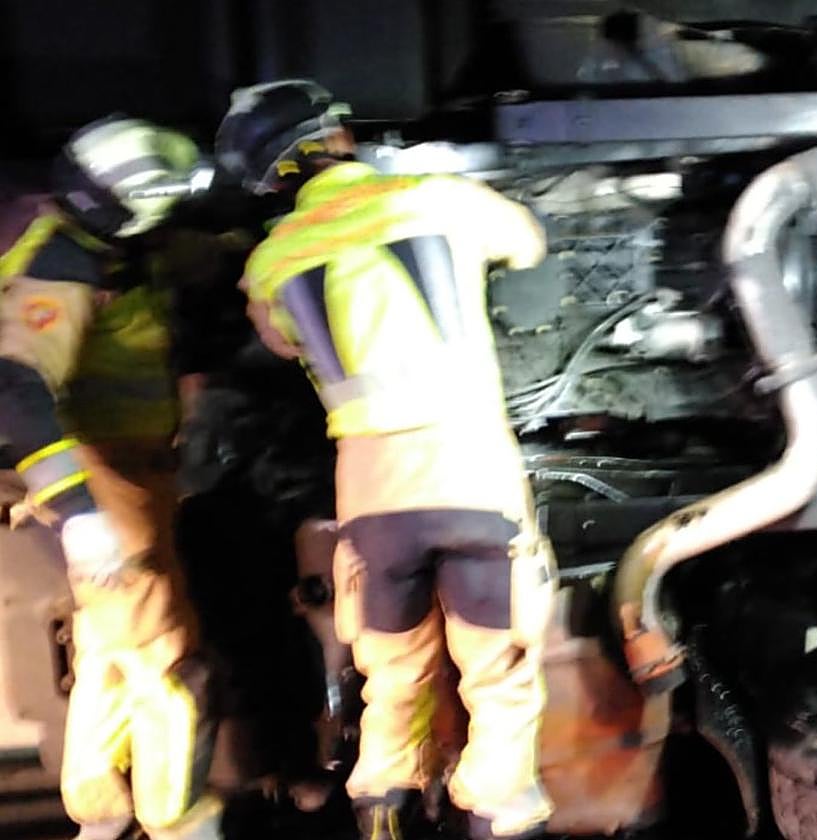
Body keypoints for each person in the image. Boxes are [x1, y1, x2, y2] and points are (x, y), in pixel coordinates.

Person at [213, 79, 557, 840]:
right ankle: (499, 814)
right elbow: (528, 243)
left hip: (371, 493)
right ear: (336, 135)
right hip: (468, 472)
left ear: (272, 179)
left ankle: (381, 814)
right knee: (499, 674)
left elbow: (281, 341)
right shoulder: (436, 198)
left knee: (393, 675)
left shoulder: (272, 260)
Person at [0, 118, 223, 839]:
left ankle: (101, 816)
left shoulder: (94, 249)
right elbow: (16, 385)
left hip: (126, 474)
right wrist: (80, 512)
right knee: (166, 657)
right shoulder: (61, 263)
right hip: (105, 478)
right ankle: (180, 819)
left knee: (112, 645)